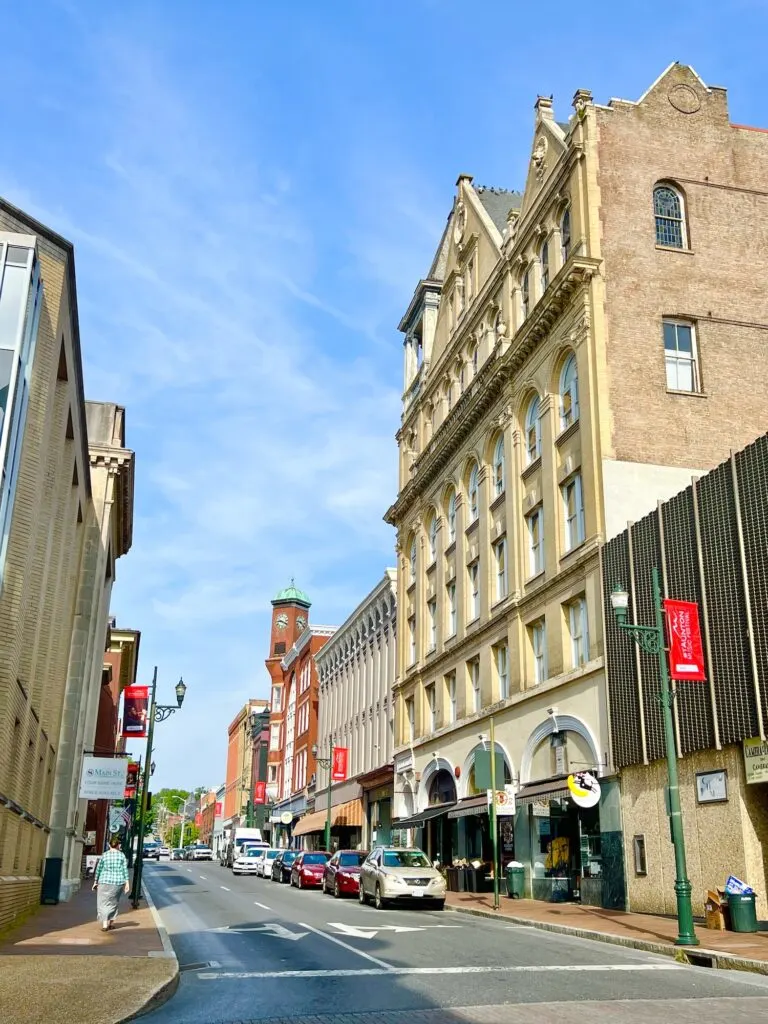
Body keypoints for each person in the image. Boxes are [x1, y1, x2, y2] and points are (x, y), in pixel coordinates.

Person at [93, 836, 130, 931]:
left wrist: (95, 881)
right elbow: (124, 870)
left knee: (103, 903)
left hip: (104, 881)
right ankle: (111, 923)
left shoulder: (104, 855)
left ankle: (105, 924)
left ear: (109, 845)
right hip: (118, 882)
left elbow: (99, 869)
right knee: (114, 902)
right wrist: (127, 883)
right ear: (118, 846)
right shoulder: (121, 855)